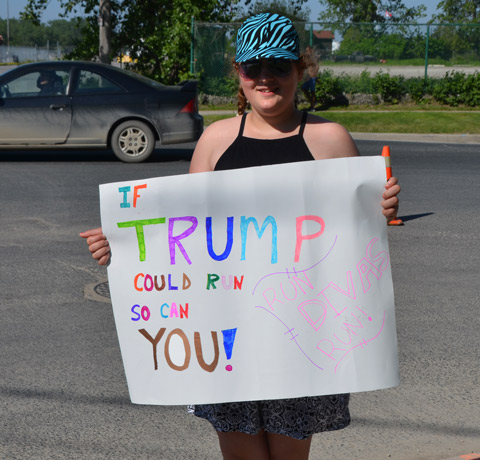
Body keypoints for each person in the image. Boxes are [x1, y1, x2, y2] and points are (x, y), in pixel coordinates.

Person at [80, 12, 400, 460]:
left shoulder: (330, 139)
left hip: (301, 337)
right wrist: (123, 243)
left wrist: (381, 211)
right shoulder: (215, 140)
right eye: (254, 68)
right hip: (226, 335)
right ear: (239, 73)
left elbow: (355, 239)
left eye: (279, 66)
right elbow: (182, 236)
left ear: (301, 69)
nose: (266, 78)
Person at [301, 46, 319, 110]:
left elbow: (317, 66)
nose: (307, 52)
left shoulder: (314, 58)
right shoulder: (307, 58)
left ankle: (312, 107)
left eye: (308, 50)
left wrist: (314, 74)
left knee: (312, 92)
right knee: (303, 88)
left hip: (312, 77)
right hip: (308, 77)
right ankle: (312, 101)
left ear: (311, 50)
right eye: (306, 50)